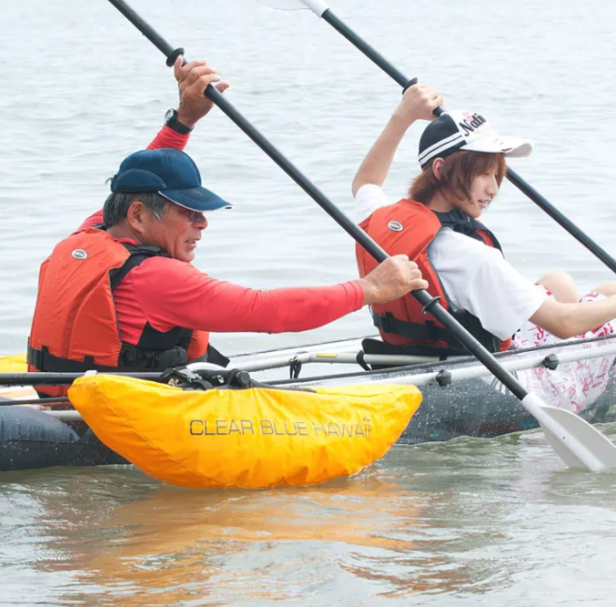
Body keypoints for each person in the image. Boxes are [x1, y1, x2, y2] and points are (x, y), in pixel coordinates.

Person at [28, 58, 428, 397]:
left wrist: (184, 119)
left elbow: (141, 172)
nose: (202, 223)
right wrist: (370, 289)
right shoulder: (154, 279)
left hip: (68, 402)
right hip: (115, 425)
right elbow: (265, 310)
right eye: (188, 211)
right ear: (138, 217)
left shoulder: (93, 231)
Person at [352, 82, 616, 411]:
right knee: (609, 298)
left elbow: (366, 182)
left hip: (433, 361)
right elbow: (564, 324)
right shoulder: (469, 255)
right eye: (484, 175)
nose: (493, 189)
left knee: (558, 281)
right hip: (506, 388)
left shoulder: (382, 221)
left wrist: (403, 116)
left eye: (497, 175)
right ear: (441, 169)